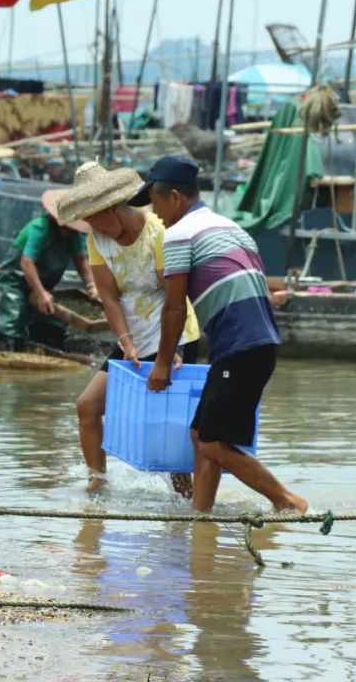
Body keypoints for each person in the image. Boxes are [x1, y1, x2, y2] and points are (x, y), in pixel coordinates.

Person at [133, 155, 307, 514]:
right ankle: (201, 517)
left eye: (156, 203)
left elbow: (175, 307)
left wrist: (162, 364)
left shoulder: (180, 233)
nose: (156, 214)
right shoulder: (231, 228)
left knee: (212, 443)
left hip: (240, 346)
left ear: (176, 198)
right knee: (201, 437)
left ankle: (288, 502)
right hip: (257, 344)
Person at [56, 161, 201, 495]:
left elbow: (174, 297)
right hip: (132, 335)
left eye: (96, 219)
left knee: (169, 424)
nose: (94, 227)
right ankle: (97, 485)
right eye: (87, 221)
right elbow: (108, 297)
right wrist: (125, 341)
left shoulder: (157, 232)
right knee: (87, 406)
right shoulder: (97, 240)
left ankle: (186, 499)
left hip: (174, 332)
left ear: (114, 208)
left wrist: (172, 349)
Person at [0, 190, 97, 351]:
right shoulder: (40, 228)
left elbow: (81, 259)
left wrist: (91, 285)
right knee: (12, 321)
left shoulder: (74, 236)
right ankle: (9, 351)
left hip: (45, 284)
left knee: (51, 323)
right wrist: (41, 293)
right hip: (17, 280)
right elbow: (27, 262)